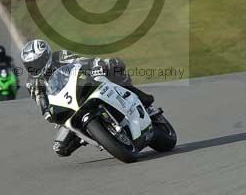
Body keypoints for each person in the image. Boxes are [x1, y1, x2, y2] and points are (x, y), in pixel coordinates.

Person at [20, 39, 155, 157]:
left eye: (38, 62)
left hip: (83, 85)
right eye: (30, 65)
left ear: (46, 56)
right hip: (68, 104)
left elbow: (84, 61)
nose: (35, 67)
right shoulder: (32, 83)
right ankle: (98, 137)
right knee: (60, 148)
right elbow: (41, 101)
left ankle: (138, 98)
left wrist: (96, 66)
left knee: (113, 64)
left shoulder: (60, 56)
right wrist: (47, 112)